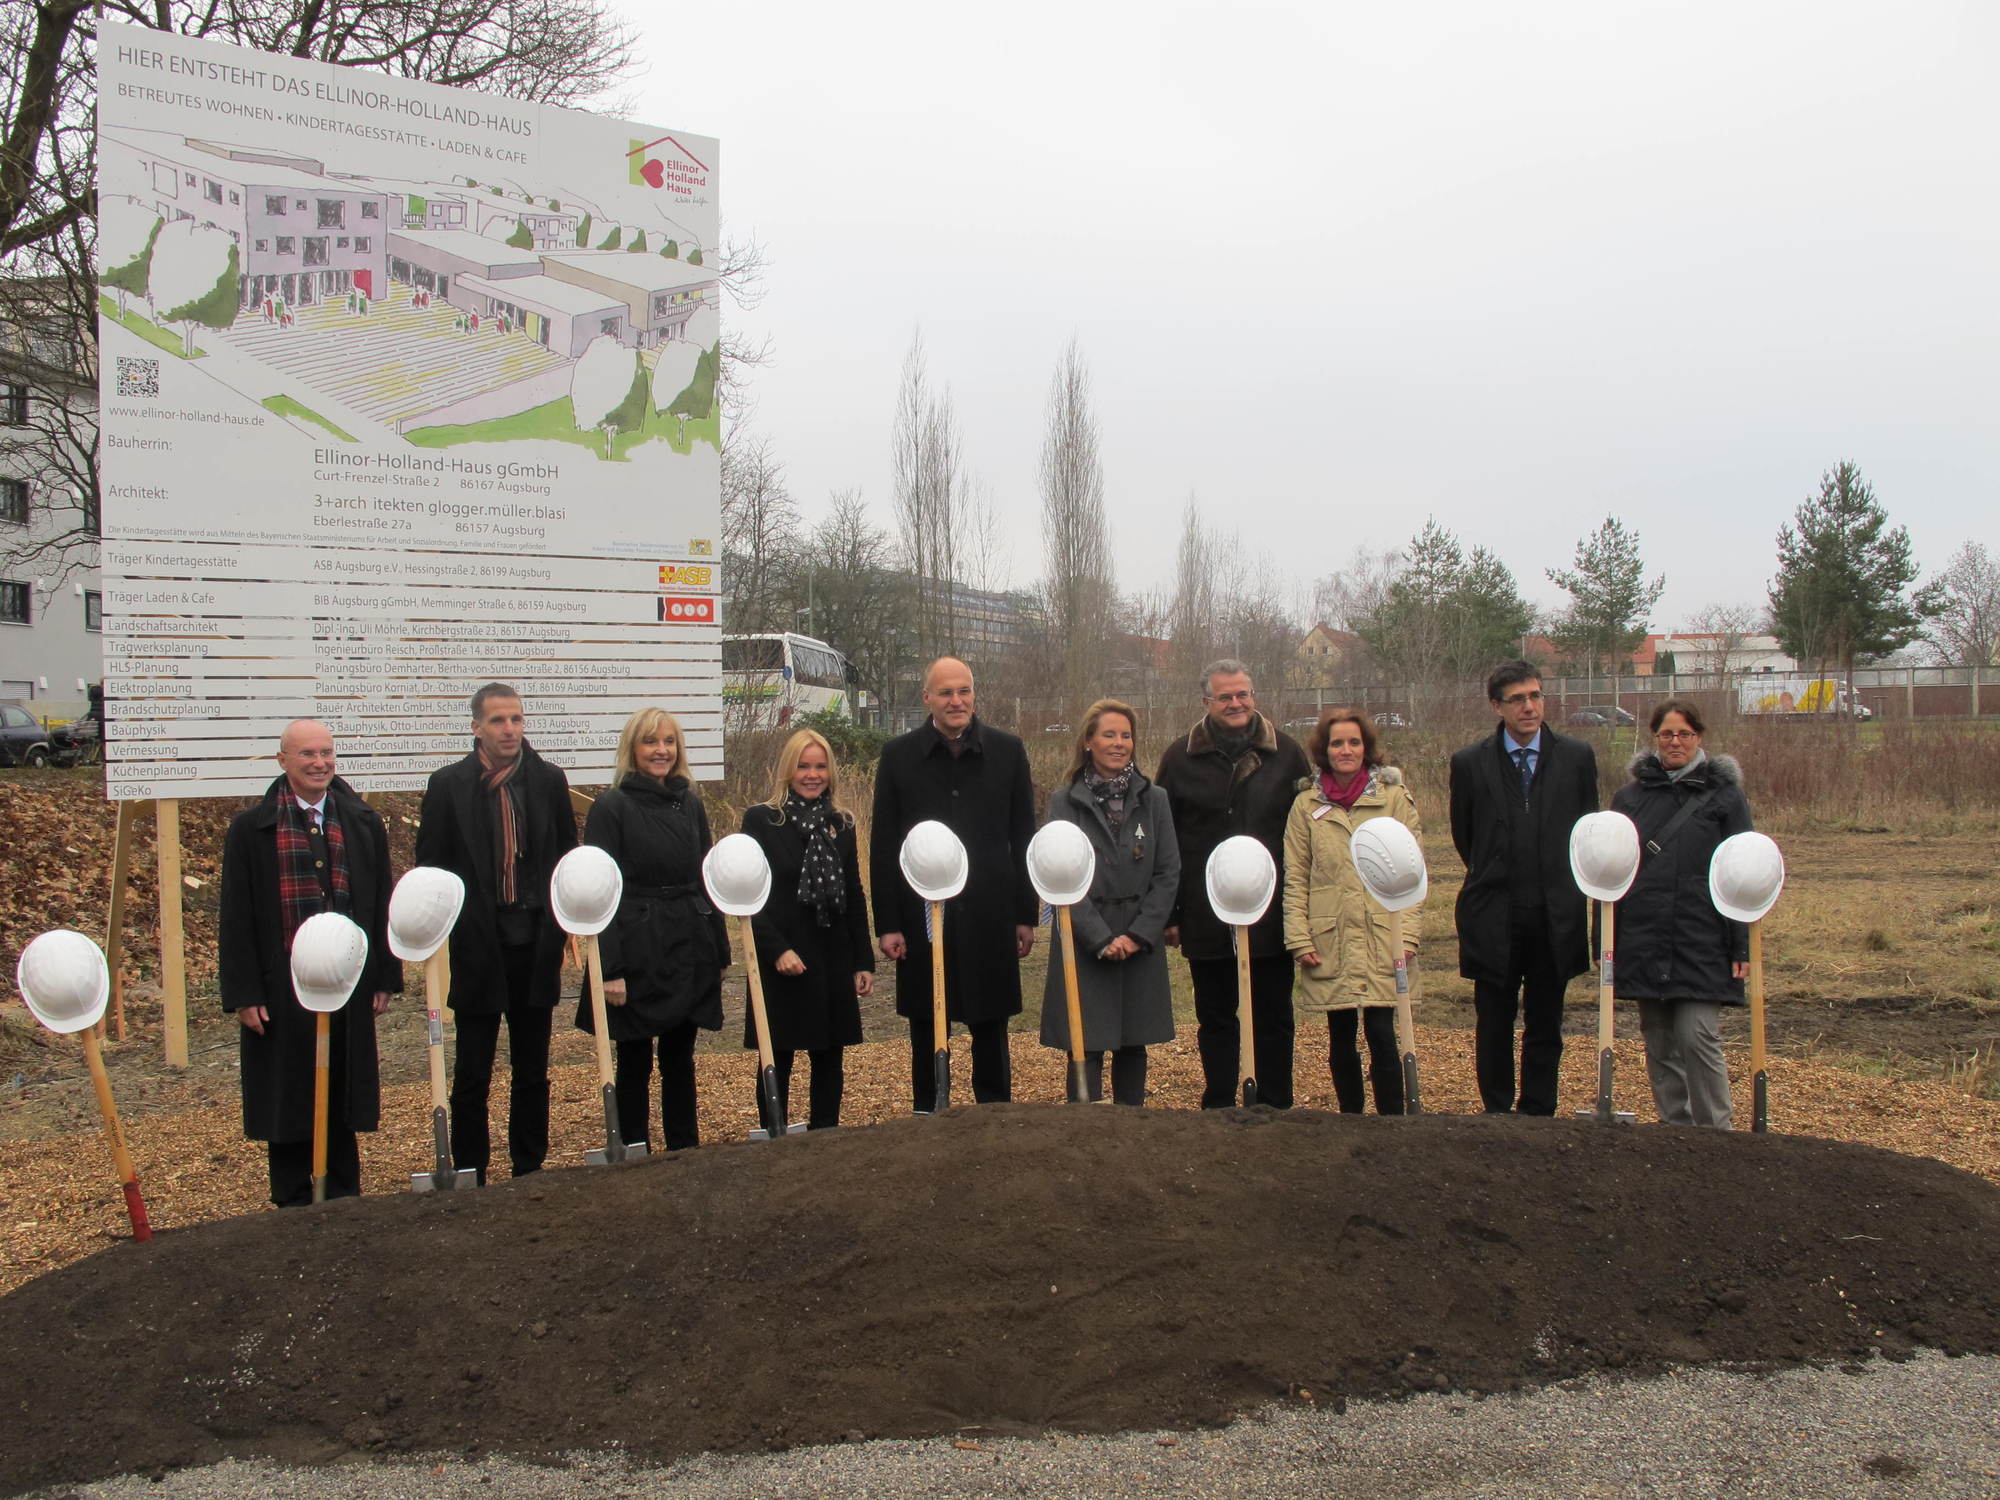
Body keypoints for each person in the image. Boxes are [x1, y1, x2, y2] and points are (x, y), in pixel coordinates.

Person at [218, 719, 397, 1206]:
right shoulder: (251, 829)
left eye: (326, 753)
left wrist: (384, 975)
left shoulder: (360, 822)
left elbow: (380, 902)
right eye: (307, 755)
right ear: (283, 761)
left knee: (340, 1082)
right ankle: (293, 1196)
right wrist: (244, 993)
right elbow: (236, 914)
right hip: (280, 985)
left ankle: (343, 1190)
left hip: (348, 976)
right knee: (289, 1085)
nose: (320, 763)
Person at [414, 683, 578, 1183]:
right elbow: (432, 867)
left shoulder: (548, 781)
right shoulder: (448, 786)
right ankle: (471, 1168)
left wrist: (561, 927)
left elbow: (564, 861)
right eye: (499, 721)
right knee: (473, 1070)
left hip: (535, 940)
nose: (510, 729)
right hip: (478, 945)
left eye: (516, 720)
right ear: (476, 728)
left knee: (532, 1067)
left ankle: (529, 1164)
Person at [870, 656, 1038, 1110]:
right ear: (927, 698)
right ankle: (930, 1110)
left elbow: (1024, 837)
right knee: (927, 1022)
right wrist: (887, 923)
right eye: (945, 693)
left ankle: (995, 1112)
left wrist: (1026, 914)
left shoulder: (1007, 751)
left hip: (990, 912)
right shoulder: (898, 756)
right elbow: (884, 844)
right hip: (919, 912)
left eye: (963, 691)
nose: (956, 701)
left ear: (974, 695)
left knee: (991, 1024)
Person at [1155, 659, 1310, 1109]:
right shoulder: (1179, 758)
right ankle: (1221, 1103)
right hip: (1204, 913)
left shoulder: (1287, 754)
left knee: (1273, 1015)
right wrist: (1172, 914)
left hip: (1270, 910)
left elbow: (1304, 837)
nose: (1236, 703)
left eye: (1243, 694)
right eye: (1225, 697)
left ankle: (1275, 1102)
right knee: (1217, 1015)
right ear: (1207, 702)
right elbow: (1169, 842)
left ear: (1254, 696)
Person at [1449, 660, 1599, 1115]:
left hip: (1555, 913)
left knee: (1546, 1021)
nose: (1529, 707)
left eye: (1535, 696)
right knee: (1493, 1021)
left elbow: (1586, 831)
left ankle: (1538, 1110)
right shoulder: (1471, 763)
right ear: (1497, 706)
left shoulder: (1576, 757)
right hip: (1495, 914)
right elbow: (1465, 836)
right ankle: (1496, 1111)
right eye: (1517, 699)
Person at [576, 707, 728, 1151]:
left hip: (687, 939)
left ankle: (684, 1148)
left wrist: (719, 950)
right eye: (650, 742)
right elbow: (601, 888)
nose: (660, 750)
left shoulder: (690, 802)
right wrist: (609, 967)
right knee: (635, 1057)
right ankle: (633, 1148)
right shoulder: (612, 806)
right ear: (633, 748)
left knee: (680, 1056)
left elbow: (706, 877)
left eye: (668, 742)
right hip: (636, 942)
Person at [1611, 700, 1753, 1128]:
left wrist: (1739, 942)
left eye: (1684, 734)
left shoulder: (1726, 798)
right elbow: (1612, 870)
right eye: (1667, 734)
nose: (1675, 742)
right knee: (1659, 1041)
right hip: (1644, 935)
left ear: (1699, 738)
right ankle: (1676, 1130)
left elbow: (1742, 873)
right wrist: (1609, 943)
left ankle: (1715, 1132)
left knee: (1697, 1035)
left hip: (1702, 936)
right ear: (1655, 739)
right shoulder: (1630, 798)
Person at [1038, 699, 1181, 1105]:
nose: (1119, 743)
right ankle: (1085, 1132)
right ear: (1088, 741)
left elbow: (1168, 872)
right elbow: (1058, 874)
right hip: (1085, 937)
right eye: (1109, 735)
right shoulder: (1064, 803)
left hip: (1139, 932)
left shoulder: (1155, 801)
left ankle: (1132, 1125)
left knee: (1133, 1041)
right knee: (1087, 1041)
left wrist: (1138, 934)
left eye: (1126, 735)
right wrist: (1099, 937)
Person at [1282, 709, 1423, 1115]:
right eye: (1338, 743)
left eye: (1354, 742)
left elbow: (1414, 873)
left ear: (1367, 748)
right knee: (1340, 1035)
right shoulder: (1306, 806)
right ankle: (1351, 1121)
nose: (1346, 750)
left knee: (1381, 1032)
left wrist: (1408, 936)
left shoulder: (1394, 799)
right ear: (1324, 751)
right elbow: (1296, 876)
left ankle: (1393, 1120)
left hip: (1384, 933)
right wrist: (1299, 937)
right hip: (1331, 937)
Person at [738, 729, 875, 1131]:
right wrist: (776, 949)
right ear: (788, 769)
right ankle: (774, 1133)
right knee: (776, 1054)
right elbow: (747, 896)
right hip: (780, 954)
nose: (812, 775)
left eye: (819, 766)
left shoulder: (842, 823)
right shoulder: (762, 819)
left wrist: (862, 962)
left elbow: (853, 893)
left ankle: (824, 1140)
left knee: (829, 1054)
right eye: (803, 766)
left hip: (831, 951)